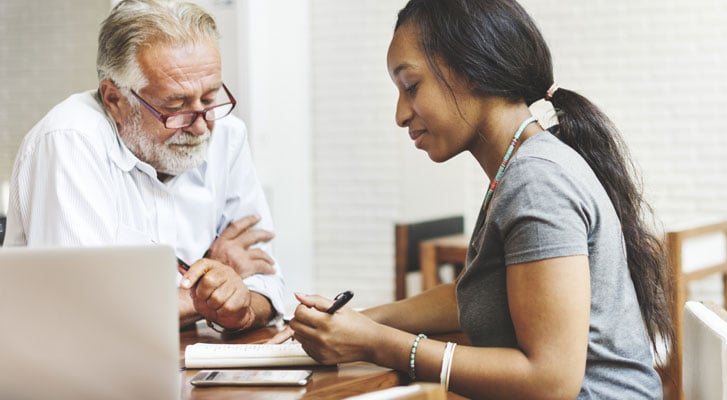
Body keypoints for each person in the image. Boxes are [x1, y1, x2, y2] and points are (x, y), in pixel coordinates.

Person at [277, 0, 675, 398]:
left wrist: (376, 343)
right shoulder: (521, 166)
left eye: (411, 87)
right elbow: (477, 295)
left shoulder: (536, 179)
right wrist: (361, 320)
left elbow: (550, 382)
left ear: (472, 68)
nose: (400, 114)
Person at [5, 0, 286, 333]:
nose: (200, 127)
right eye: (176, 106)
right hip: (71, 376)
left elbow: (270, 286)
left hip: (184, 362)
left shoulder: (226, 134)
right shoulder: (69, 139)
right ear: (115, 100)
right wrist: (210, 290)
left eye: (209, 99)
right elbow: (82, 311)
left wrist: (241, 306)